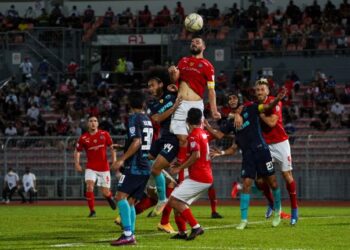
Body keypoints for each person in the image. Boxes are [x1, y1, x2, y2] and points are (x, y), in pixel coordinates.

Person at [210, 89, 286, 230]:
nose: (232, 100)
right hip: (248, 155)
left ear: (239, 98)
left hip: (261, 151)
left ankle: (278, 210)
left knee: (273, 183)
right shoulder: (230, 122)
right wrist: (207, 127)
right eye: (229, 99)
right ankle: (244, 220)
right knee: (246, 185)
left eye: (234, 97)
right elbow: (220, 137)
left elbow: (267, 107)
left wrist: (277, 99)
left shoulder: (251, 107)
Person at [168, 35, 221, 193]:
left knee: (194, 139)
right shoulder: (183, 61)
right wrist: (172, 73)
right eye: (192, 42)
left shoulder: (207, 66)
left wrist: (214, 109)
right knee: (182, 139)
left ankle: (188, 174)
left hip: (195, 105)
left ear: (203, 47)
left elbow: (211, 90)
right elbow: (175, 80)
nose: (194, 43)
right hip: (180, 103)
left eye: (197, 42)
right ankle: (181, 175)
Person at [110, 91, 154, 246]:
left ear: (129, 105)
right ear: (143, 104)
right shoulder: (147, 120)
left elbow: (137, 141)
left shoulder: (133, 118)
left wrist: (121, 159)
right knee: (130, 202)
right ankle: (131, 234)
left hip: (135, 166)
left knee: (120, 198)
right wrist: (123, 146)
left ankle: (128, 234)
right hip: (145, 166)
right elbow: (142, 143)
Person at [255, 79, 298, 225]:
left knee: (286, 175)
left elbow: (272, 123)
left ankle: (294, 210)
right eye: (257, 90)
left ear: (267, 91)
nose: (259, 92)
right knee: (260, 180)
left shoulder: (275, 102)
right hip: (265, 145)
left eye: (262, 89)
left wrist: (260, 114)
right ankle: (273, 205)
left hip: (280, 143)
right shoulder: (256, 105)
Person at [168, 108, 212, 240]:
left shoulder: (193, 135)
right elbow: (195, 154)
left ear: (187, 121)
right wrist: (180, 163)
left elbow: (196, 155)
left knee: (173, 200)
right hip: (204, 176)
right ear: (200, 120)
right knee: (179, 203)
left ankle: (196, 227)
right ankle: (182, 232)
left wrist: (179, 167)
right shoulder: (203, 133)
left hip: (199, 177)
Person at [145, 67, 182, 225]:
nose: (150, 89)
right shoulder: (153, 104)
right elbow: (157, 119)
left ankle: (162, 199)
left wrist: (176, 85)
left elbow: (184, 97)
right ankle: (166, 179)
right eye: (148, 86)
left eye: (152, 85)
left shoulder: (172, 94)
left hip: (173, 138)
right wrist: (172, 109)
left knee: (154, 169)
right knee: (144, 159)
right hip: (162, 138)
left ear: (161, 84)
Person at [74, 115, 117, 217]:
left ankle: (109, 197)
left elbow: (112, 148)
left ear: (97, 123)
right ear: (88, 124)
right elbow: (77, 151)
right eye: (91, 121)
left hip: (104, 167)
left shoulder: (105, 134)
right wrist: (77, 163)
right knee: (89, 186)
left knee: (105, 192)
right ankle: (92, 211)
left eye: (95, 121)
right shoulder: (83, 138)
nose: (93, 123)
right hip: (91, 167)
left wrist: (114, 160)